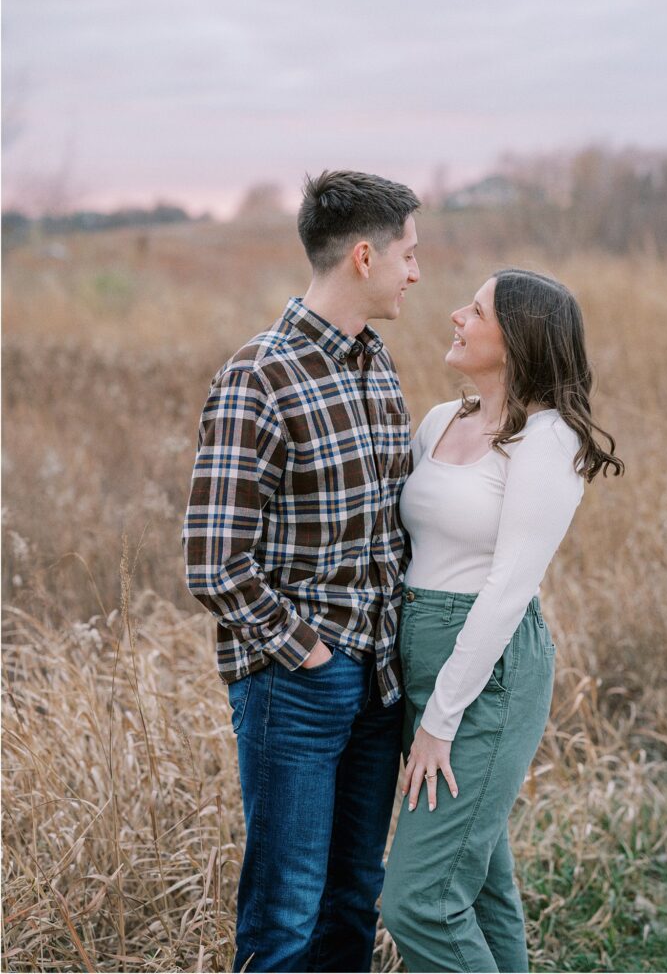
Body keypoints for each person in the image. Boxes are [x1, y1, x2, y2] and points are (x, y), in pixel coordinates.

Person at [182, 170, 420, 973]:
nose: (415, 272)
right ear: (363, 256)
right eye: (408, 255)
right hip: (298, 684)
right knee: (284, 913)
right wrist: (309, 653)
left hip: (380, 683)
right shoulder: (260, 376)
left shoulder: (376, 363)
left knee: (354, 896)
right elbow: (214, 561)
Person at [381, 267, 624, 973]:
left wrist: (440, 718)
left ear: (517, 338)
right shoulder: (440, 420)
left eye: (477, 309)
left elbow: (507, 590)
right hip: (420, 657)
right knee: (480, 886)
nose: (456, 314)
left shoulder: (547, 442)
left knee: (419, 902)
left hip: (485, 675)